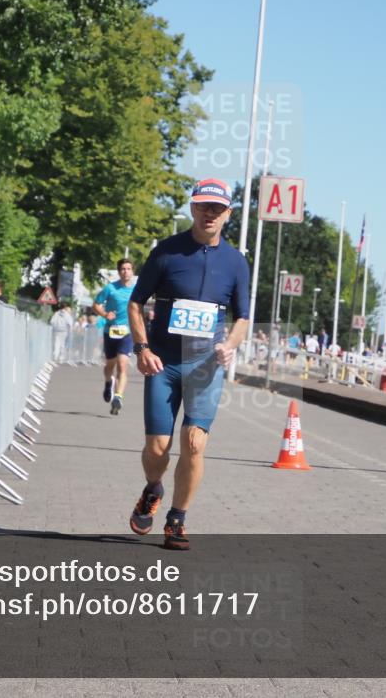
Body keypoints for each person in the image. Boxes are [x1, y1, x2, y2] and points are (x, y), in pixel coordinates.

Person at [126, 178, 250, 551]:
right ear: (192, 208)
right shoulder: (166, 252)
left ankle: (177, 520)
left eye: (217, 208)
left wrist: (229, 345)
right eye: (203, 206)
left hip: (205, 368)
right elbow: (136, 303)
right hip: (163, 365)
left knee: (194, 443)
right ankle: (153, 487)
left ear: (228, 214)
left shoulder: (235, 263)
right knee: (157, 450)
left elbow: (243, 317)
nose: (209, 213)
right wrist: (142, 347)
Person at [93, 259, 137, 415]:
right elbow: (96, 304)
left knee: (123, 364)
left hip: (127, 332)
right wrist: (105, 314)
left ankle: (118, 397)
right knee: (110, 365)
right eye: (123, 269)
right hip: (110, 331)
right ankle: (108, 382)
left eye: (128, 269)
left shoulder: (137, 289)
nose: (126, 271)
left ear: (132, 271)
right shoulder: (110, 288)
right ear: (119, 272)